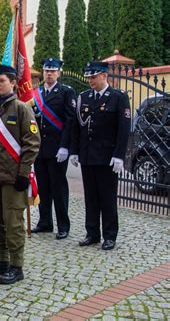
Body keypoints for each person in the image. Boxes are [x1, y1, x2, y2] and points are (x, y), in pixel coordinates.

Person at [0, 65, 40, 285]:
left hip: (14, 178)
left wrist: (24, 173)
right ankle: (1, 260)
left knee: (13, 222)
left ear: (13, 82)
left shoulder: (22, 109)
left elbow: (32, 144)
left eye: (2, 81)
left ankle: (16, 265)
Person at [70, 62, 131, 251]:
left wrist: (119, 155)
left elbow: (124, 129)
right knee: (91, 197)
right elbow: (77, 127)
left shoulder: (118, 98)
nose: (90, 81)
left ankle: (110, 235)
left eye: (93, 77)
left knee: (107, 197)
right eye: (88, 77)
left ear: (104, 76)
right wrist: (74, 150)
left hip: (107, 157)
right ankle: (92, 233)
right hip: (88, 156)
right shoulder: (84, 97)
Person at [31, 58, 76, 239]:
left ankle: (63, 225)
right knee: (43, 188)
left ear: (59, 73)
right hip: (40, 150)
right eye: (46, 70)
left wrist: (65, 146)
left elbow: (70, 121)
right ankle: (45, 222)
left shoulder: (66, 92)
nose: (49, 74)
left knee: (58, 188)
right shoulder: (37, 93)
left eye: (52, 71)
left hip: (57, 149)